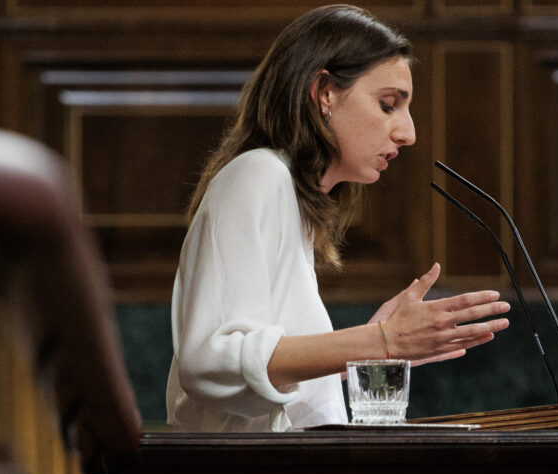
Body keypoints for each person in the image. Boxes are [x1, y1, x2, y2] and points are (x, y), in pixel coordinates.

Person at [166, 4, 510, 432]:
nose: (409, 133)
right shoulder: (258, 173)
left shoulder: (291, 200)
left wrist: (366, 349)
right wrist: (379, 342)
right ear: (325, 92)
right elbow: (210, 361)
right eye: (388, 105)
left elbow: (265, 381)